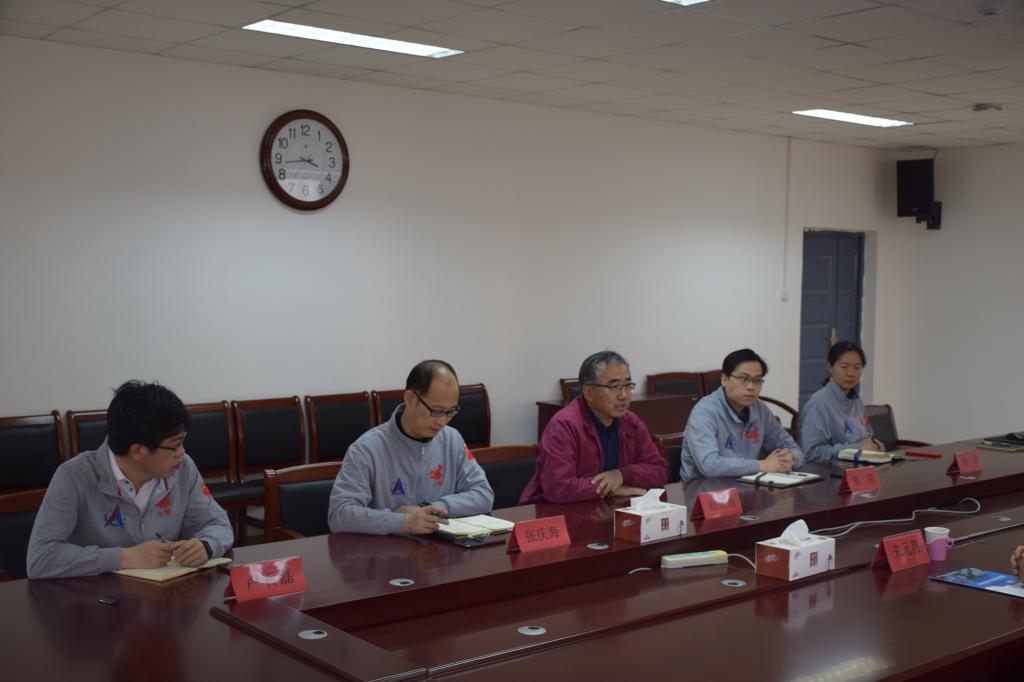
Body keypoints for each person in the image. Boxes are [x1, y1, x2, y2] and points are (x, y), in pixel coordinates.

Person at [27, 381, 233, 579]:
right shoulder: (74, 476)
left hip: (167, 595)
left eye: (182, 441)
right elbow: (41, 558)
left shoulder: (183, 468)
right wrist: (123, 557)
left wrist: (207, 545)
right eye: (174, 446)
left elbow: (218, 523)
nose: (182, 453)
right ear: (137, 451)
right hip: (96, 597)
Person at [328, 359, 494, 535]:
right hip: (387, 549)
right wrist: (403, 522)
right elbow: (340, 514)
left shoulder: (452, 439)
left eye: (450, 411)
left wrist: (431, 508)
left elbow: (484, 494)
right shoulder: (366, 449)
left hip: (442, 548)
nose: (442, 421)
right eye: (436, 411)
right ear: (410, 398)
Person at [519, 350, 668, 504]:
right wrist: (613, 490)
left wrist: (622, 475)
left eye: (628, 385)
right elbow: (559, 488)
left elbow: (660, 470)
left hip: (609, 509)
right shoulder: (563, 426)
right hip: (558, 512)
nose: (624, 395)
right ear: (589, 392)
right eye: (614, 386)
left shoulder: (631, 422)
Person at [680, 348, 804, 481]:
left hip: (746, 485)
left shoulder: (760, 409)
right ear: (724, 379)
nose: (751, 387)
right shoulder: (704, 412)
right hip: (702, 489)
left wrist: (790, 459)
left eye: (757, 380)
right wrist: (762, 465)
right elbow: (709, 466)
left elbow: (795, 450)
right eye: (743, 379)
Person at [799, 341, 884, 463]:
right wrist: (857, 449)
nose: (851, 373)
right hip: (831, 472)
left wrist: (875, 446)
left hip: (858, 468)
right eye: (844, 367)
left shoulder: (856, 401)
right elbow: (812, 454)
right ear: (830, 367)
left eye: (857, 368)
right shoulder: (818, 404)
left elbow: (867, 436)